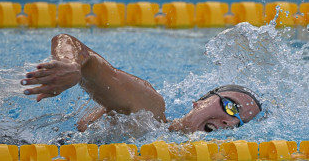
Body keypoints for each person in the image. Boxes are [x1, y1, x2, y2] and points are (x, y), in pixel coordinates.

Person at [20, 34, 262, 133]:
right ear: (199, 102)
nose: (230, 121)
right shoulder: (150, 112)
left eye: (239, 123)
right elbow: (74, 46)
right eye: (231, 107)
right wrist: (70, 65)